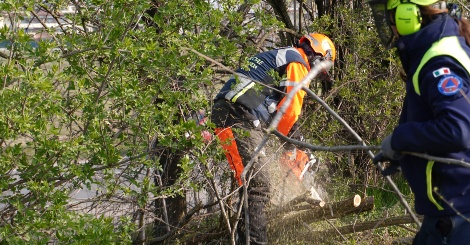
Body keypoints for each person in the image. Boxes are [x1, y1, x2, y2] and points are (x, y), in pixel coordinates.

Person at [211, 33, 335, 244]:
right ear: (318, 55)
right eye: (320, 70)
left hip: (238, 115)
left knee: (252, 185)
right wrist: (291, 148)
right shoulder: (297, 61)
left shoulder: (285, 57)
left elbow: (281, 111)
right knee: (257, 185)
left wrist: (297, 143)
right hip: (237, 117)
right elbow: (289, 113)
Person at [368, 0, 470, 244]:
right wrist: (404, 152)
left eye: (390, 16)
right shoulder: (441, 46)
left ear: (407, 15)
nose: (389, 24)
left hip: (459, 213)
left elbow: (457, 130)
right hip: (448, 211)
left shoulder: (439, 61)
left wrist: (401, 138)